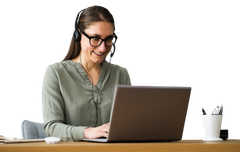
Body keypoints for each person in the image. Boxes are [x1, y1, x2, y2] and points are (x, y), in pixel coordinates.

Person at [41, 5, 132, 142]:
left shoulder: (121, 73)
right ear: (78, 35)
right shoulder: (56, 73)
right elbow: (52, 127)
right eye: (95, 38)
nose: (102, 48)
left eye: (108, 39)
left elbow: (129, 124)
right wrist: (87, 132)